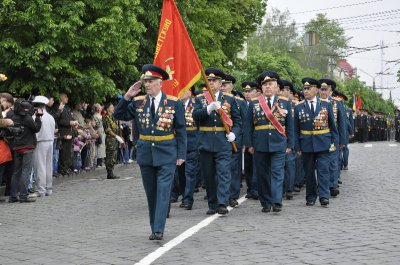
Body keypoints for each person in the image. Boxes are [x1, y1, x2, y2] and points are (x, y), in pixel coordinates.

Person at [114, 64, 186, 240]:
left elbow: (181, 129)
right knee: (151, 193)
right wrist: (127, 96)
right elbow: (118, 115)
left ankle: (159, 229)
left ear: (160, 83)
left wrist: (181, 154)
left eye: (151, 81)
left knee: (163, 191)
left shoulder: (174, 103)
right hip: (146, 154)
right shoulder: (138, 102)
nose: (147, 85)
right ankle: (155, 227)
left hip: (167, 152)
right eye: (145, 81)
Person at [193, 67, 241, 215]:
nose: (212, 83)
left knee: (224, 173)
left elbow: (238, 122)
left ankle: (222, 203)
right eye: (209, 80)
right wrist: (208, 109)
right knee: (209, 175)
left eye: (215, 81)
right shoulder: (200, 99)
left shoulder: (230, 99)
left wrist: (234, 134)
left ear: (221, 84)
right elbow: (195, 116)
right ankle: (212, 204)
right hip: (206, 143)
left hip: (223, 142)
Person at [247, 72, 294, 212]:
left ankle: (276, 201)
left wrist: (290, 144)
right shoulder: (254, 103)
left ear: (277, 88)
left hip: (278, 143)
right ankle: (266, 202)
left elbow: (290, 126)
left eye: (270, 84)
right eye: (265, 85)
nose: (267, 87)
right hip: (260, 144)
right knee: (262, 175)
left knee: (277, 173)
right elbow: (248, 126)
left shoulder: (285, 102)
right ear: (261, 88)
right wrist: (249, 144)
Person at [294, 78, 338, 207]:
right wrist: (297, 146)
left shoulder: (326, 105)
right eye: (304, 88)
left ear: (316, 90)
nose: (305, 91)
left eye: (308, 88)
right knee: (309, 173)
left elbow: (333, 127)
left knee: (323, 170)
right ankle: (311, 196)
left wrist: (334, 143)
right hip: (306, 144)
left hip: (323, 143)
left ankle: (324, 196)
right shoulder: (298, 107)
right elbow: (296, 130)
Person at [221, 74, 248, 208]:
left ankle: (232, 195)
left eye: (226, 85)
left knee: (233, 169)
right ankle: (222, 195)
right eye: (222, 84)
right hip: (219, 140)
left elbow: (242, 123)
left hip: (234, 139)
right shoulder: (216, 99)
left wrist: (241, 140)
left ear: (231, 86)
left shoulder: (239, 101)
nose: (223, 87)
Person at [9, 99, 42, 203]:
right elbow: (36, 129)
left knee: (16, 172)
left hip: (17, 147)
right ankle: (23, 196)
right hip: (27, 147)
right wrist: (38, 118)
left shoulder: (13, 117)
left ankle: (13, 196)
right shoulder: (27, 118)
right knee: (25, 172)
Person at [318, 79, 346, 197]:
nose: (323, 92)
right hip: (319, 137)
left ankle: (332, 185)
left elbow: (342, 122)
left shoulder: (337, 103)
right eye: (322, 89)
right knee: (322, 164)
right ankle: (323, 186)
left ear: (330, 91)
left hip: (332, 137)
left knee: (333, 162)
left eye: (326, 89)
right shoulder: (315, 102)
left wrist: (342, 140)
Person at [32, 96, 55, 197]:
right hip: (50, 141)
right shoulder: (50, 117)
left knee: (40, 166)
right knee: (48, 166)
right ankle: (48, 189)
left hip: (40, 142)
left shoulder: (35, 116)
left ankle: (40, 190)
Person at [279, 80, 297, 200]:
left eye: (284, 90)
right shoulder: (275, 103)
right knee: (278, 167)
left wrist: (292, 143)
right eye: (281, 89)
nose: (282, 92)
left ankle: (289, 189)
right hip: (278, 139)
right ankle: (279, 190)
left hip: (290, 138)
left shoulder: (294, 105)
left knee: (289, 165)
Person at [242, 82, 259, 200]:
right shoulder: (241, 104)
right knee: (248, 166)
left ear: (256, 92)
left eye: (250, 91)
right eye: (246, 92)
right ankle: (250, 188)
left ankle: (256, 189)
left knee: (256, 166)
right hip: (245, 139)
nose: (247, 94)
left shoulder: (259, 104)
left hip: (257, 139)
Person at [58, 93, 78, 176]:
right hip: (63, 132)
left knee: (68, 152)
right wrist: (69, 122)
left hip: (69, 132)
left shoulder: (67, 108)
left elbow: (70, 118)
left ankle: (67, 167)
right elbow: (59, 121)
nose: (67, 98)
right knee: (63, 152)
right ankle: (62, 168)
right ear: (61, 98)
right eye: (65, 97)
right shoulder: (59, 108)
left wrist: (74, 122)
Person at [103, 103, 124, 179]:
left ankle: (111, 171)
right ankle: (109, 173)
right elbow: (108, 130)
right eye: (111, 107)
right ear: (108, 109)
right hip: (110, 139)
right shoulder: (106, 118)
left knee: (114, 155)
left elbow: (117, 128)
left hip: (114, 139)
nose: (113, 109)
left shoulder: (113, 117)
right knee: (110, 155)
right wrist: (116, 136)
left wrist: (119, 136)